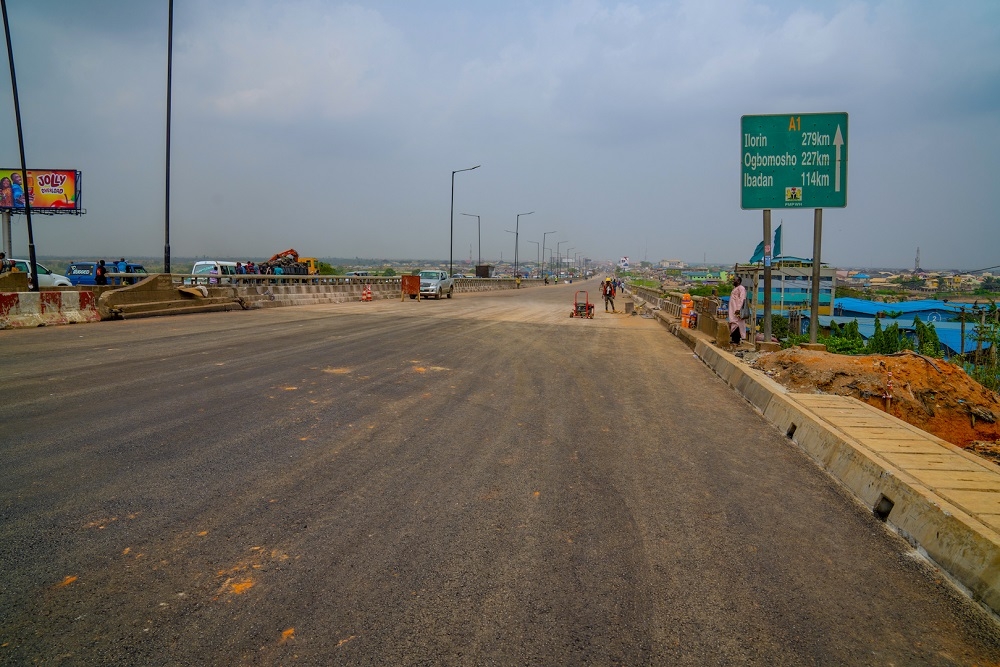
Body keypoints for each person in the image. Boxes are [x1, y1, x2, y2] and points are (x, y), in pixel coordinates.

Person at [728, 275, 747, 347]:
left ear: (738, 281)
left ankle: (737, 340)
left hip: (737, 309)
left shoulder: (741, 288)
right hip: (733, 309)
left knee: (737, 324)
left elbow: (742, 298)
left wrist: (738, 309)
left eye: (734, 280)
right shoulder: (735, 288)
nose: (733, 281)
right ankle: (734, 339)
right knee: (733, 323)